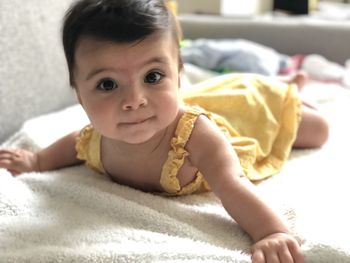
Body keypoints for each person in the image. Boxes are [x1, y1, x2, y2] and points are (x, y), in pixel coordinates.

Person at [0, 0, 329, 262]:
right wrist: (37, 161)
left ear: (179, 74)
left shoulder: (195, 136)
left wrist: (271, 233)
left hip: (248, 116)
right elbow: (75, 144)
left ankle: (288, 90)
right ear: (79, 94)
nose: (134, 100)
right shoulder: (98, 136)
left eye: (153, 77)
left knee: (318, 130)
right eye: (107, 84)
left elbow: (232, 185)